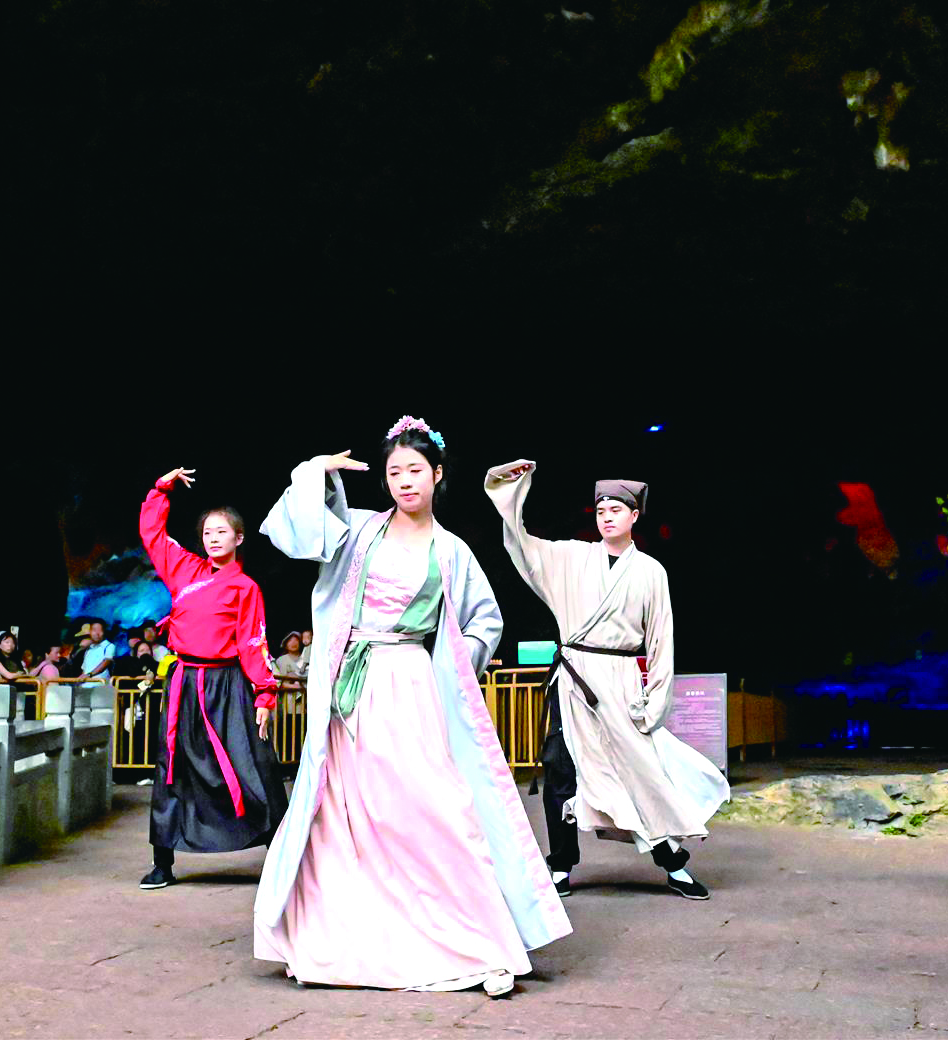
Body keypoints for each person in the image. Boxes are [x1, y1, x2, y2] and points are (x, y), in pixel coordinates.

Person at [254, 417, 570, 996]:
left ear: (438, 474)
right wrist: (315, 474)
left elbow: (485, 620)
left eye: (415, 470)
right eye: (394, 471)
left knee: (438, 809)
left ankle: (482, 944)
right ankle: (345, 944)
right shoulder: (359, 530)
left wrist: (452, 664)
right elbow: (299, 536)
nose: (404, 480)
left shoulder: (451, 550)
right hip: (349, 692)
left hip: (412, 683)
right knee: (346, 815)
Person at [485, 460, 730, 900]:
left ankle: (673, 864)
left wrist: (655, 701)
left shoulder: (650, 572)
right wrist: (513, 489)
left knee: (639, 773)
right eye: (601, 511)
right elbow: (523, 545)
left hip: (620, 682)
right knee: (560, 767)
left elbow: (661, 641)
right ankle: (561, 863)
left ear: (634, 516)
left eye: (616, 510)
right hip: (574, 679)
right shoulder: (573, 557)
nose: (607, 517)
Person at [137, 468, 289, 890]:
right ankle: (162, 863)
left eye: (222, 532)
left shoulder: (245, 588)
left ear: (239, 538)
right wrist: (161, 490)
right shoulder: (184, 569)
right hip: (185, 683)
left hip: (228, 686)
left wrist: (264, 696)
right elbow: (152, 534)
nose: (213, 538)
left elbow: (253, 642)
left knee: (251, 763)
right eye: (207, 532)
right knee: (172, 768)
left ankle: (281, 857)